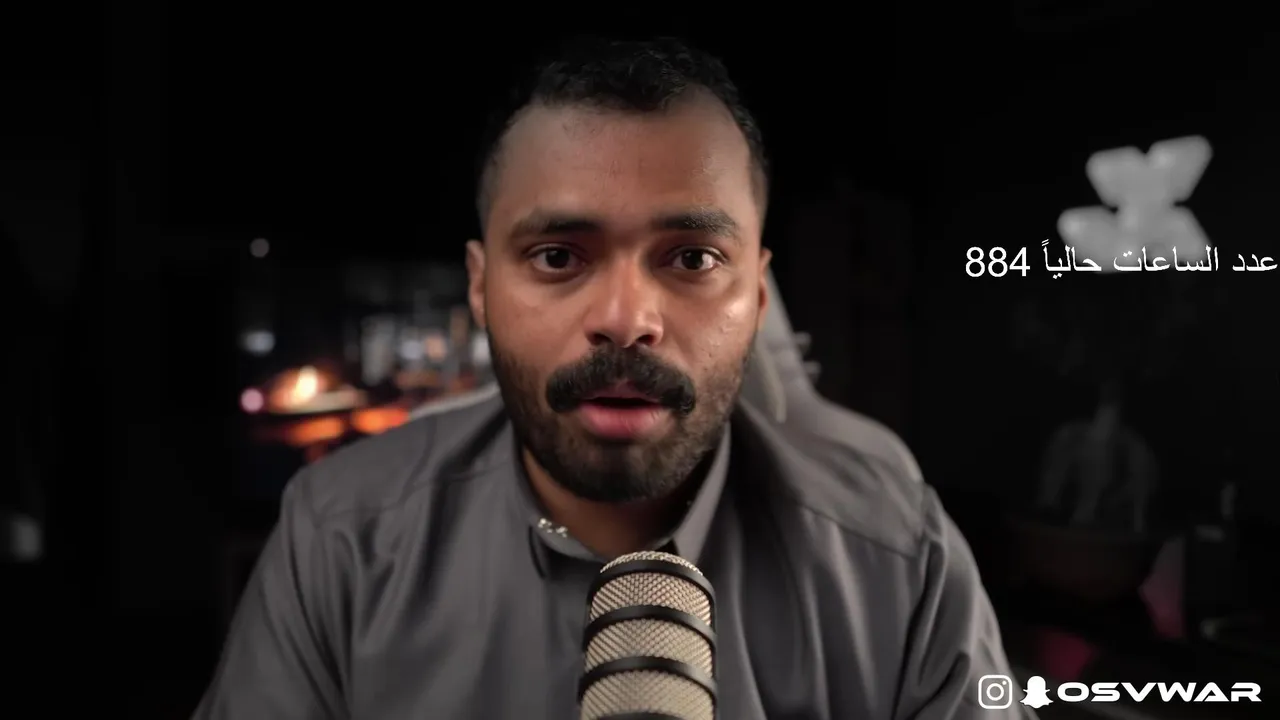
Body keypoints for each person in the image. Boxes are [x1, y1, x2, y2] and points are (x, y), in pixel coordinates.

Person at [194, 35, 1029, 719]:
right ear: (480, 287)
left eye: (692, 258)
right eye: (558, 256)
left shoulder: (900, 558)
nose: (627, 319)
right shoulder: (341, 536)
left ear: (757, 294)